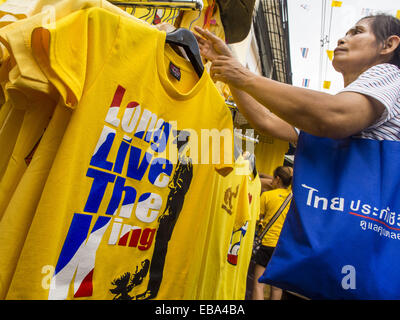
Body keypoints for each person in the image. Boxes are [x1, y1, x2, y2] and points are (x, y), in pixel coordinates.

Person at [193, 14, 400, 142]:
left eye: (357, 32)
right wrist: (232, 72)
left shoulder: (389, 74)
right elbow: (266, 121)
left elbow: (335, 116)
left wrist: (244, 76)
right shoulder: (332, 111)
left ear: (388, 45)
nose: (342, 38)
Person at [252, 166, 293, 300]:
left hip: (266, 244)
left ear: (277, 179)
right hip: (282, 247)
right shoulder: (293, 198)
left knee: (259, 284)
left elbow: (256, 217)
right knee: (276, 286)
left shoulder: (267, 196)